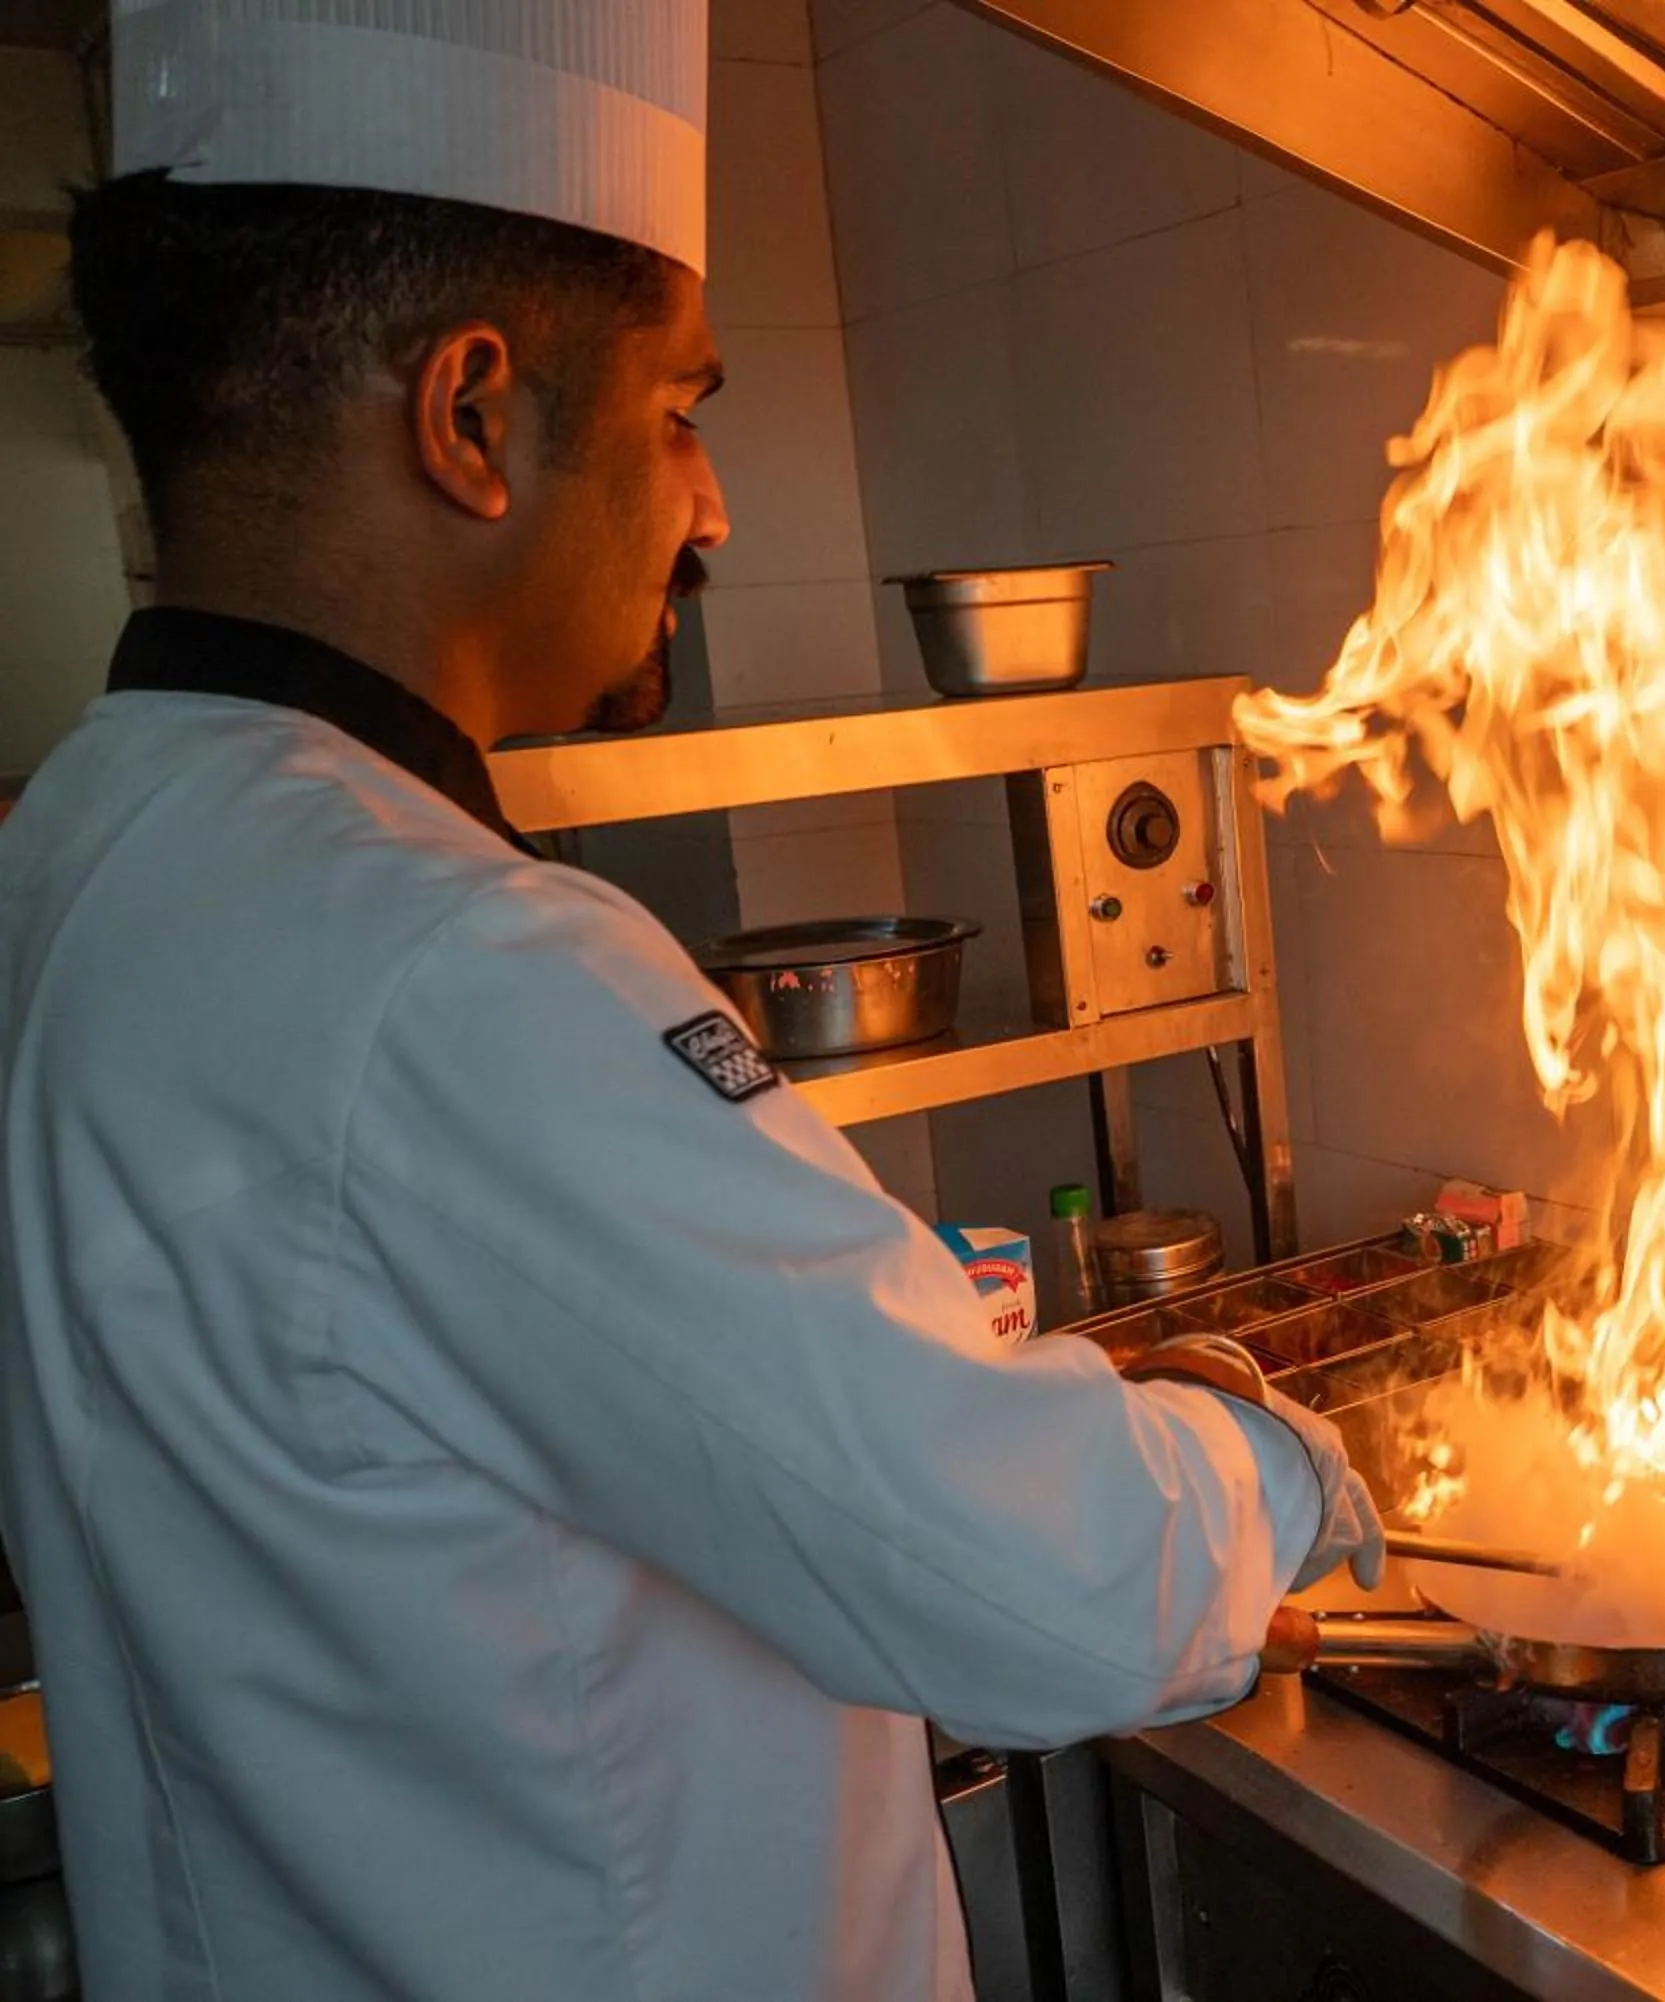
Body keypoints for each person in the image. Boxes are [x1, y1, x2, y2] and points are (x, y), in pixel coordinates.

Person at [0, 4, 1380, 1997]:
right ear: (469, 416)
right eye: (677, 409)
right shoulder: (449, 969)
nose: (711, 505)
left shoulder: (84, 846)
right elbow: (1037, 1574)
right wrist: (1276, 1460)